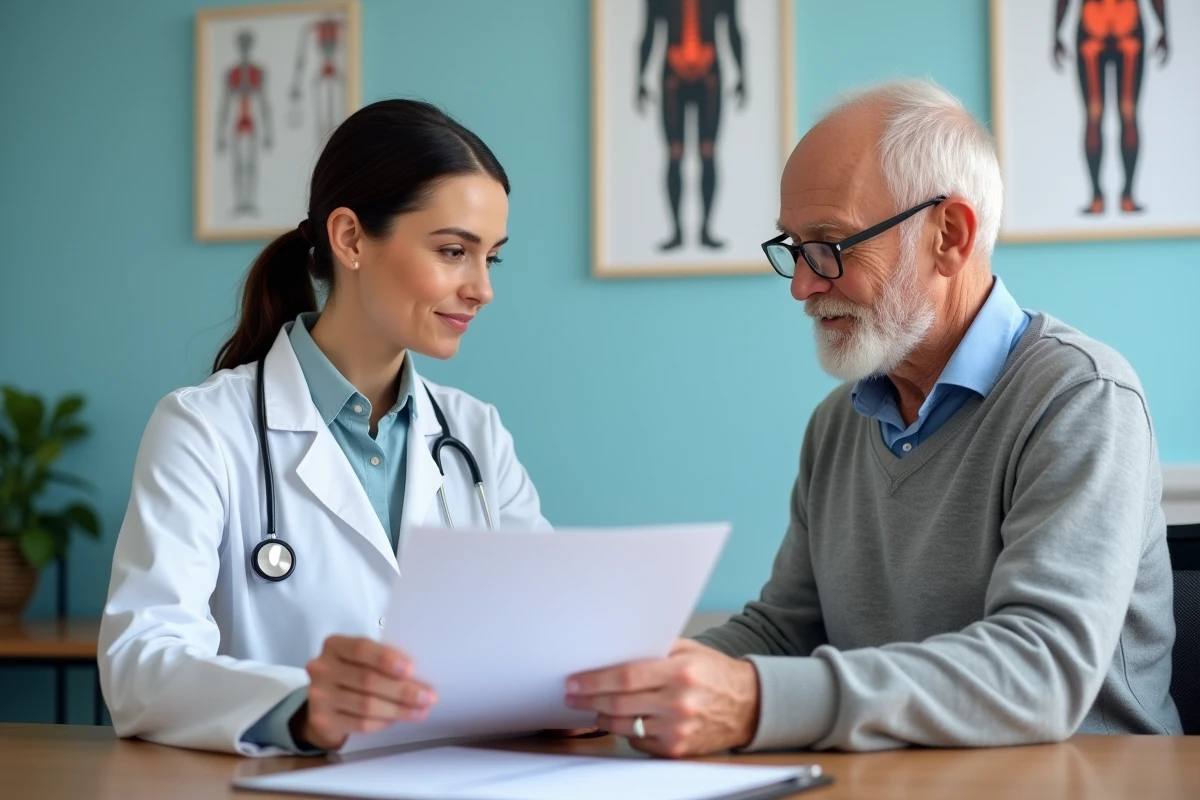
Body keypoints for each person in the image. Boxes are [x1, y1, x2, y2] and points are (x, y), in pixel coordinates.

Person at [565, 79, 1182, 756]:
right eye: (794, 249)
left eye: (829, 245)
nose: (802, 285)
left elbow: (1040, 670)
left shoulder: (1081, 396)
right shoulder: (838, 424)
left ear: (949, 235)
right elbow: (784, 632)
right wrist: (620, 689)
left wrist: (754, 702)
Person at [100, 100, 559, 756]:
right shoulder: (202, 430)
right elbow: (140, 663)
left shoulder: (475, 437)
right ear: (349, 239)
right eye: (455, 251)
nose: (482, 288)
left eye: (493, 258)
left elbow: (543, 630)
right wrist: (304, 707)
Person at [636, 0, 746, 250]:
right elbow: (649, 32)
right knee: (675, 153)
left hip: (710, 75)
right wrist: (640, 77)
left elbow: (733, 29)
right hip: (673, 75)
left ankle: (706, 229)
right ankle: (676, 231)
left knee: (708, 152)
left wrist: (742, 74)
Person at [1052, 0, 1169, 215]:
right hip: (1099, 24)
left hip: (1121, 23)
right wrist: (1056, 33)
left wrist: (1164, 28)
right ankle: (1100, 195)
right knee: (1098, 113)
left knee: (1125, 111)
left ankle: (1124, 194)